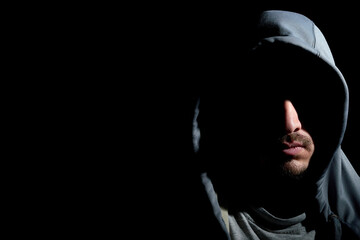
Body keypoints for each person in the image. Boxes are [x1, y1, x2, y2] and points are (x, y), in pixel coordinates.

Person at [196, 10, 360, 239]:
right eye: (268, 99)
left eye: (304, 98)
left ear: (332, 108)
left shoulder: (350, 225)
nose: (289, 123)